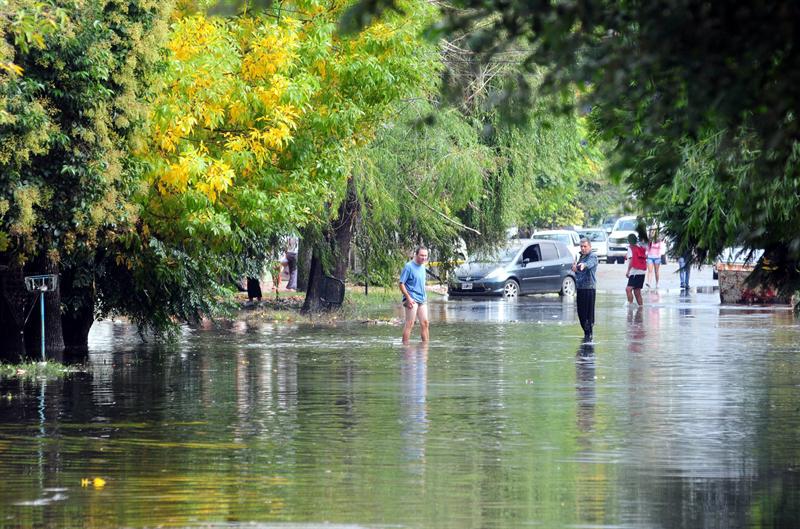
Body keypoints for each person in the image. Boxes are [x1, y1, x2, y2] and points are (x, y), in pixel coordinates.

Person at [399, 246, 430, 344]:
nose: (424, 258)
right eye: (421, 255)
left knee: (425, 323)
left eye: (425, 256)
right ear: (416, 255)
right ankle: (404, 347)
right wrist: (408, 298)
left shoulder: (423, 266)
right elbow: (401, 284)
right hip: (411, 298)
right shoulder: (409, 267)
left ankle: (426, 347)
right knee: (410, 323)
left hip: (422, 299)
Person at [572, 237, 598, 342]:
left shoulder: (593, 256)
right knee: (581, 314)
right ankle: (586, 334)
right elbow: (579, 271)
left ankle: (589, 336)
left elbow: (588, 265)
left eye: (585, 246)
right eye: (581, 246)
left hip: (589, 289)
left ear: (590, 247)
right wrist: (575, 269)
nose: (583, 248)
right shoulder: (581, 257)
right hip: (580, 288)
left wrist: (582, 265)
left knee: (588, 316)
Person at [625, 233, 646, 306]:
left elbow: (631, 260)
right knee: (637, 292)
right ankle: (641, 308)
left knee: (628, 289)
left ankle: (630, 306)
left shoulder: (630, 248)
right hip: (642, 272)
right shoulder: (640, 247)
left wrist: (628, 271)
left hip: (635, 272)